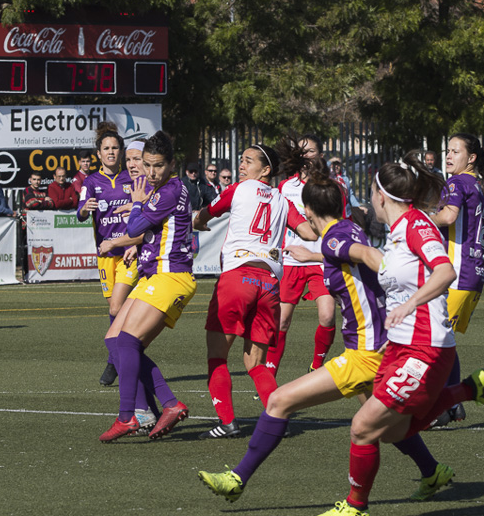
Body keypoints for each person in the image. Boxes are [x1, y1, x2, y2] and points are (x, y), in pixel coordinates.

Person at [197, 164, 460, 504]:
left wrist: (396, 278)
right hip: (378, 345)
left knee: (280, 402)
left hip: (366, 351)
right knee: (385, 425)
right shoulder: (345, 230)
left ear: (308, 210)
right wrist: (314, 253)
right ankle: (432, 469)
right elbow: (347, 250)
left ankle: (237, 478)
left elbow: (367, 255)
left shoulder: (336, 236)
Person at [314, 151, 484, 516]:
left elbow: (444, 271)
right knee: (395, 431)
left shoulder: (416, 225)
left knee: (363, 425)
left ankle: (355, 508)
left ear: (381, 196)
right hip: (401, 346)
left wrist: (409, 304)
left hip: (425, 346)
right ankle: (469, 389)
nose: (369, 199)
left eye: (370, 192)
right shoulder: (397, 232)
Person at [192, 142, 318, 439]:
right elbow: (309, 233)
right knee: (256, 363)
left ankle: (227, 422)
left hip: (238, 277)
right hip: (268, 286)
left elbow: (206, 214)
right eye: (242, 160)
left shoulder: (239, 189)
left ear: (265, 170)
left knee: (217, 356)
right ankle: (277, 423)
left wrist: (199, 221)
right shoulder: (282, 201)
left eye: (248, 161)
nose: (241, 165)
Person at [97, 131, 197, 442]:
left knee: (127, 341)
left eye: (158, 166)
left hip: (171, 275)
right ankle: (166, 404)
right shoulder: (162, 189)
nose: (151, 172)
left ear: (172, 164)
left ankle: (129, 415)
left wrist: (137, 205)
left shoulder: (167, 192)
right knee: (114, 340)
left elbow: (137, 227)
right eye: (147, 164)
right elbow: (147, 229)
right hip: (155, 274)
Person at [427, 134, 484, 428]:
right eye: (448, 151)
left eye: (456, 151)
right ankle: (454, 404)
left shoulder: (457, 183)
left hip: (456, 273)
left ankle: (439, 407)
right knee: (446, 340)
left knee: (432, 342)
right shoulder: (477, 186)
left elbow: (448, 215)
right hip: (473, 273)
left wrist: (418, 218)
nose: (449, 155)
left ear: (471, 158)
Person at [79, 123, 140, 391]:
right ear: (99, 153)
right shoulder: (91, 182)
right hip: (105, 255)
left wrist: (136, 242)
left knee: (117, 308)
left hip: (128, 252)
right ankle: (119, 357)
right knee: (114, 310)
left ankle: (116, 360)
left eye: (115, 148)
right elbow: (80, 212)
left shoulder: (132, 179)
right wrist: (85, 209)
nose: (111, 152)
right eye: (106, 148)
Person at [272, 133, 339, 376]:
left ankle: (316, 367)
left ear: (320, 156)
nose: (305, 155)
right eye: (301, 151)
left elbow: (343, 222)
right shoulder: (285, 187)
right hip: (290, 261)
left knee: (327, 316)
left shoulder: (331, 187)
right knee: (281, 322)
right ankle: (268, 376)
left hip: (321, 261)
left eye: (310, 151)